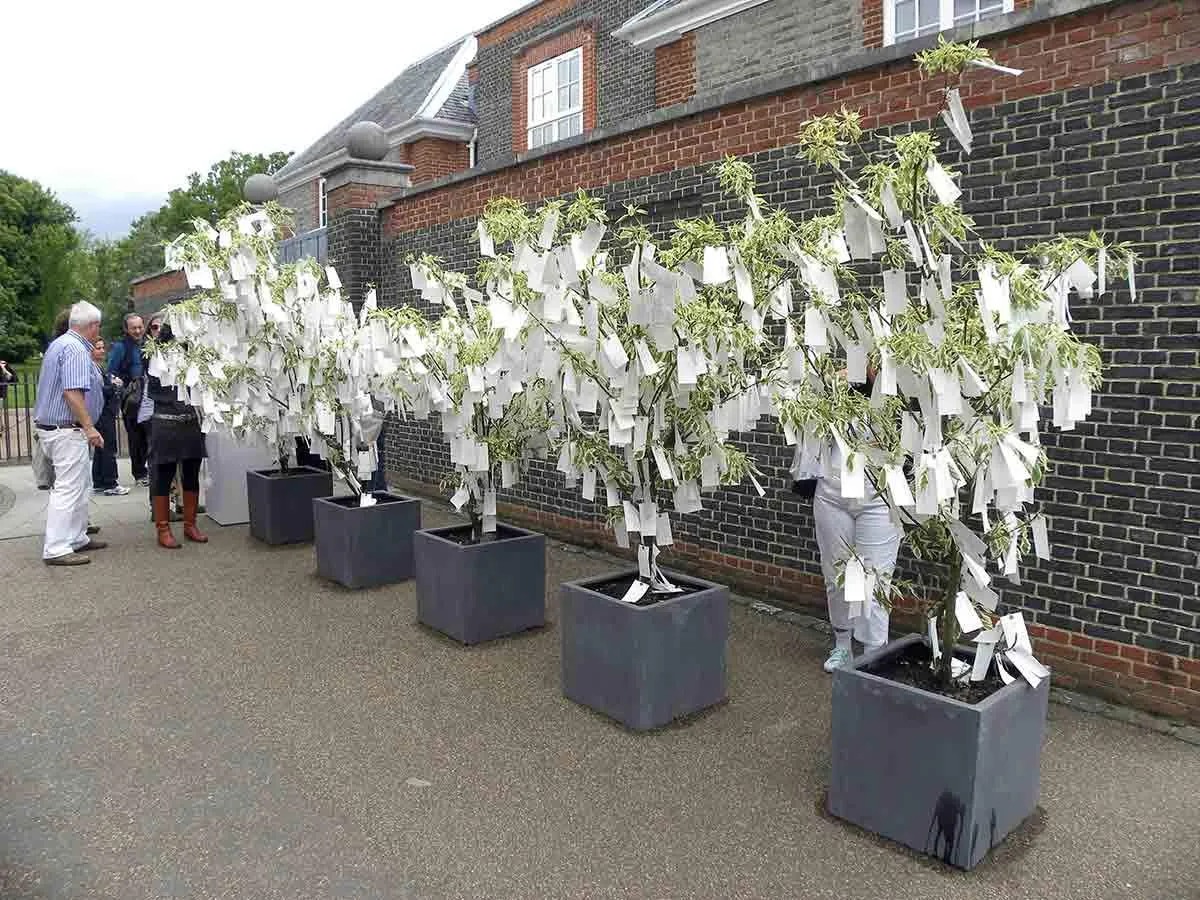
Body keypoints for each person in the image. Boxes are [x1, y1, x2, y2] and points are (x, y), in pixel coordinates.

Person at [798, 372, 902, 672]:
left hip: (878, 497)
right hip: (832, 493)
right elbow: (809, 426)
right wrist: (830, 387)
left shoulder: (895, 381)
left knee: (875, 578)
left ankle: (873, 653)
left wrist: (875, 379)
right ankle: (842, 645)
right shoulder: (831, 377)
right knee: (836, 575)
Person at [34, 301, 108, 566]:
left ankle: (76, 537)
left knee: (79, 486)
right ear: (93, 325)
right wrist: (89, 427)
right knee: (68, 489)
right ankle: (56, 547)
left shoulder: (60, 344)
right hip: (67, 430)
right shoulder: (75, 348)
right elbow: (72, 393)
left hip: (59, 429)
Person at [146, 323, 207, 548]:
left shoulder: (192, 355)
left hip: (190, 421)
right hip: (165, 423)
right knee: (164, 475)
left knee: (191, 473)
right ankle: (163, 529)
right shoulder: (155, 356)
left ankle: (190, 525)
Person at [107, 313, 149, 485]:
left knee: (150, 435)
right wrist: (121, 387)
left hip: (150, 395)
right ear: (126, 329)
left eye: (140, 327)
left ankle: (149, 469)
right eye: (134, 328)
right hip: (132, 398)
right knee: (136, 436)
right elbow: (111, 371)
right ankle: (139, 473)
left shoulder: (149, 344)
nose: (138, 331)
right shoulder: (120, 348)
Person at [90, 338, 129, 496]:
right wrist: (114, 385)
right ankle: (110, 482)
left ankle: (99, 480)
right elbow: (97, 389)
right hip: (103, 411)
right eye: (97, 348)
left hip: (103, 411)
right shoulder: (91, 367)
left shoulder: (98, 367)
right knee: (108, 447)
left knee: (101, 447)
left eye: (102, 347)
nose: (102, 351)